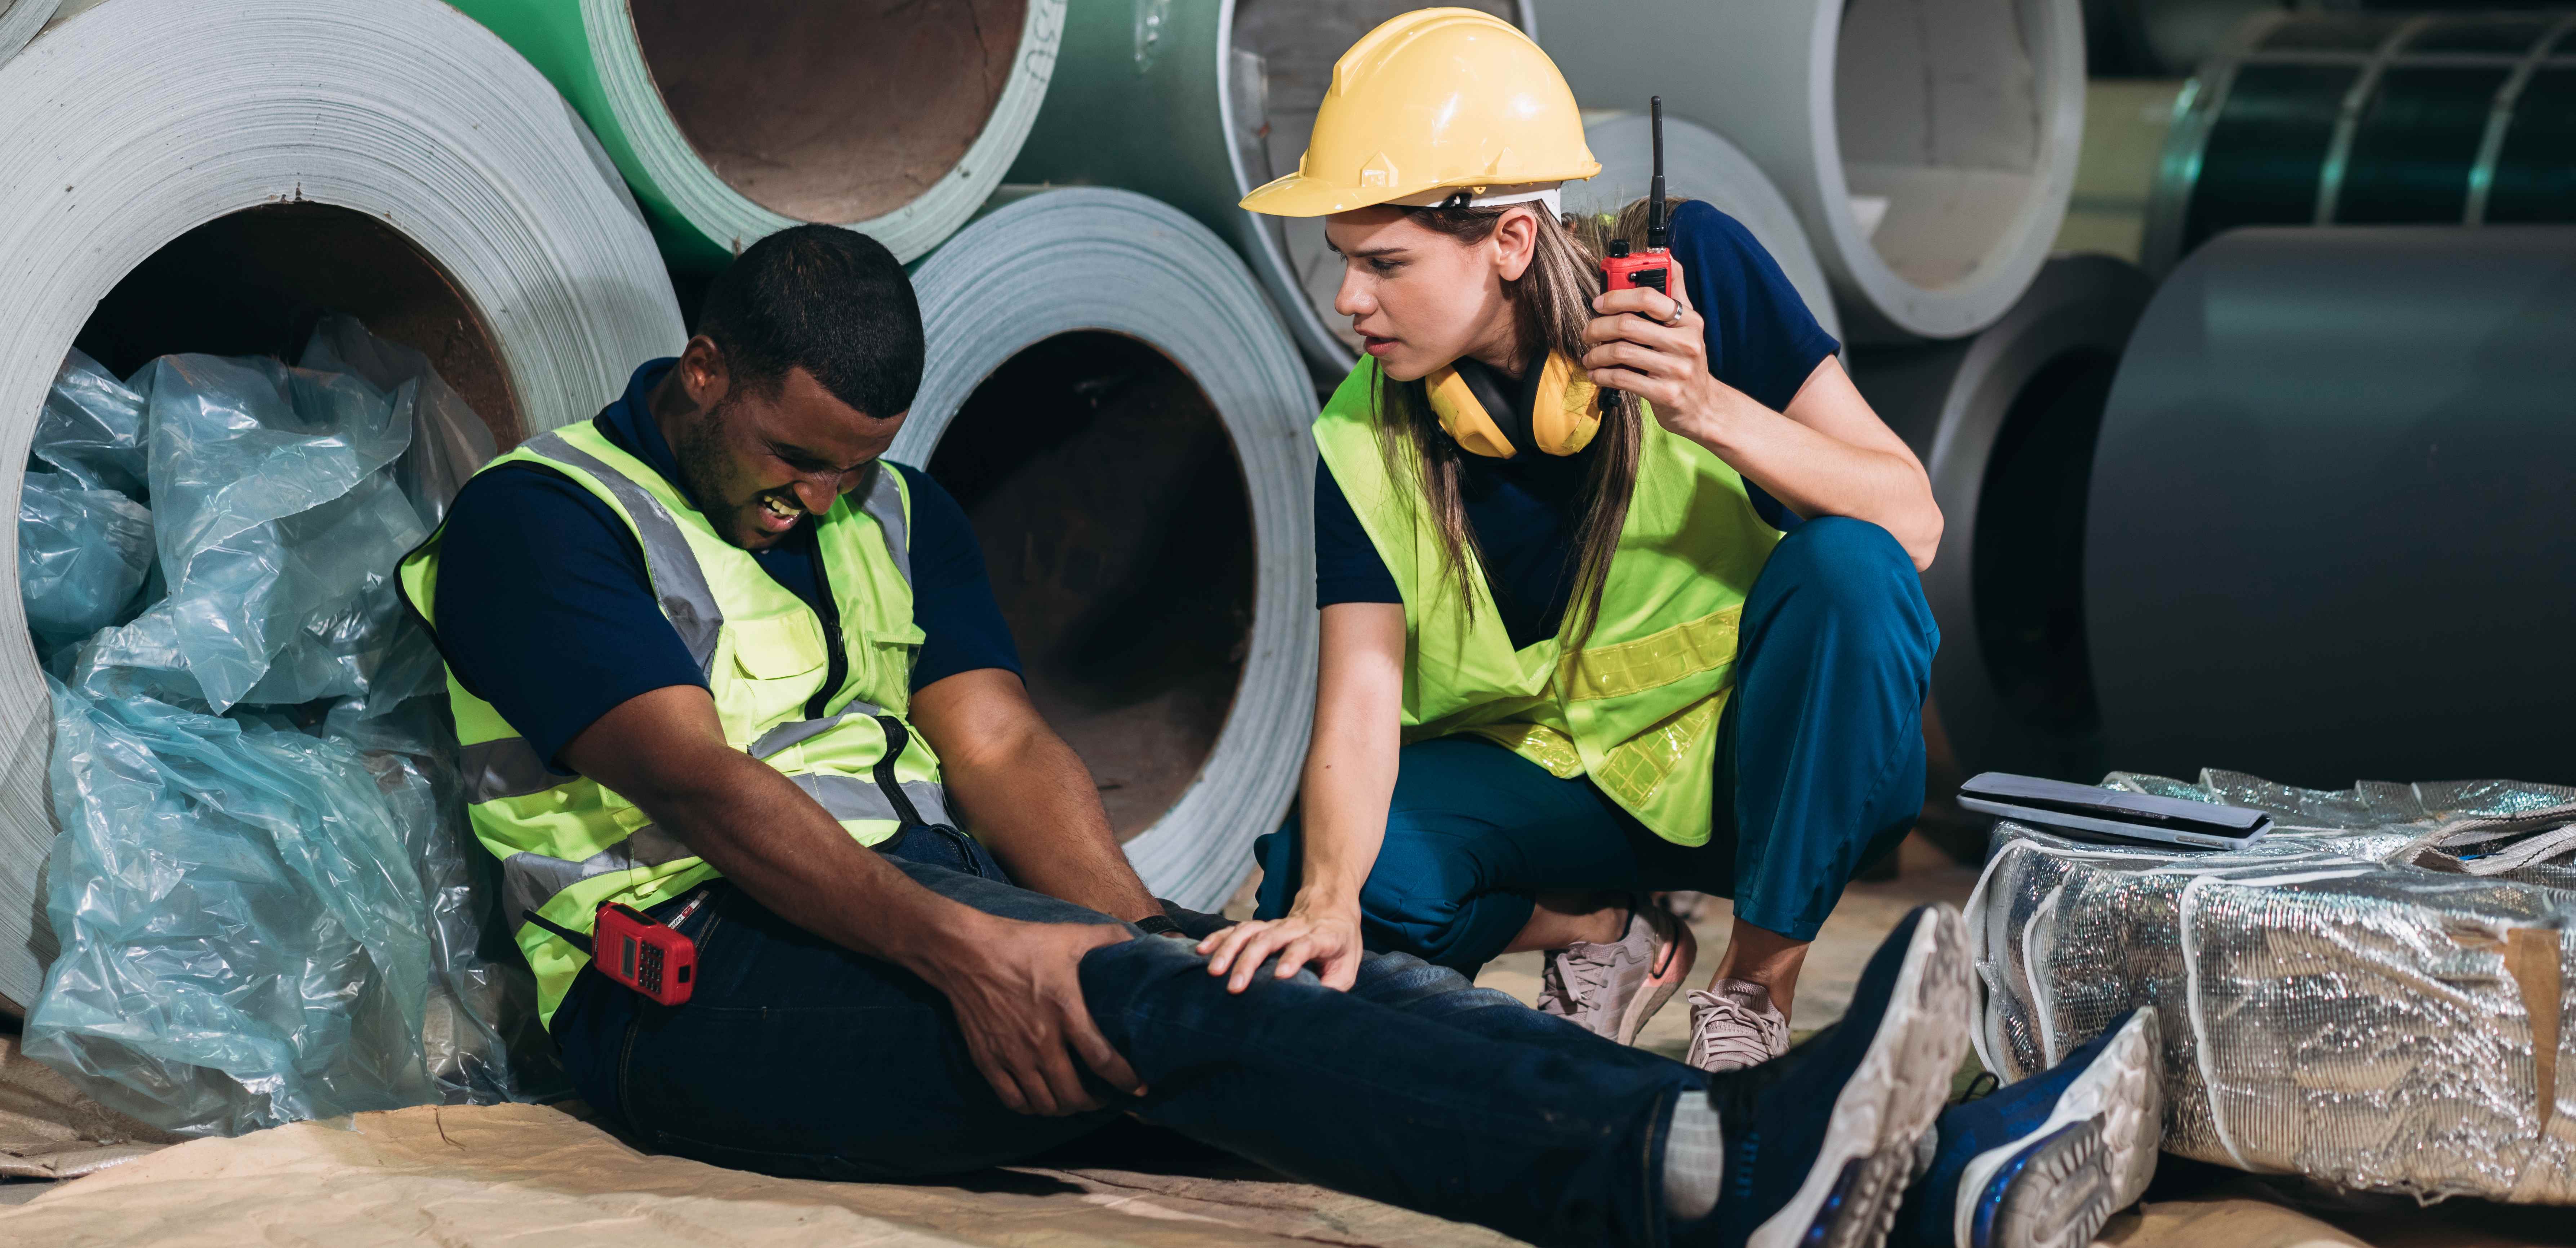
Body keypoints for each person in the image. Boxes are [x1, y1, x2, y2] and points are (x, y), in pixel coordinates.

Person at [392, 219, 2010, 1248]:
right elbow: (713, 789)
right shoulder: (548, 526)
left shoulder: (893, 508)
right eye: (795, 456)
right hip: (677, 989)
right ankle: (1700, 1164)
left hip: (901, 899)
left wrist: (1135, 921)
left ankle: (1918, 1174)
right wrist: (982, 955)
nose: (818, 497)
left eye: (852, 464)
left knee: (1247, 985)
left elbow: (1009, 751)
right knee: (1175, 1022)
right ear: (701, 373)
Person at [1206, 6, 1939, 1077]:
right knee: (1318, 893)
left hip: (1771, 783)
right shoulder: (1365, 431)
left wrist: (1709, 409)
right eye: (1342, 261)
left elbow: (1912, 521)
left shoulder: (1695, 274)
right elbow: (1360, 703)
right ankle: (1601, 926)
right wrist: (1323, 900)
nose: (1350, 301)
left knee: (1852, 567)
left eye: (1386, 263)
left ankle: (1753, 984)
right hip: (1565, 797)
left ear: (1508, 239)